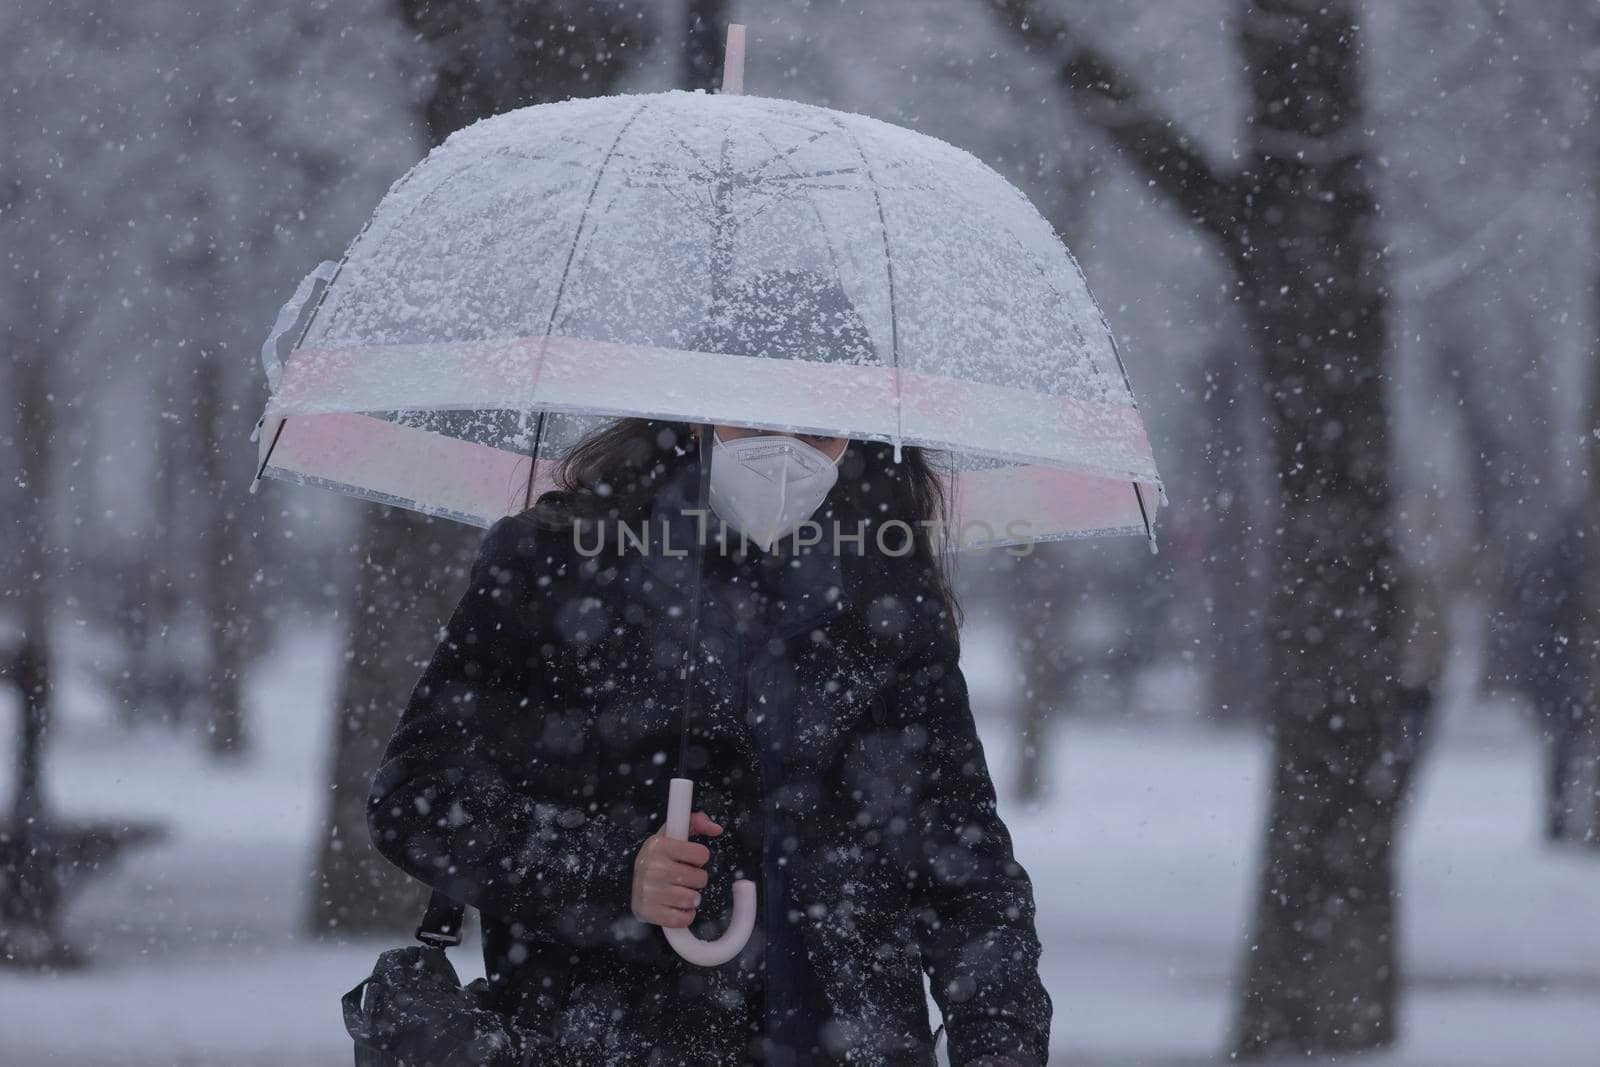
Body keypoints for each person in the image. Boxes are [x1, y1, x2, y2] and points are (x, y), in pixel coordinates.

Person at [367, 414, 1053, 1066]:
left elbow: (963, 859)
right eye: (754, 418)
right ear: (693, 411)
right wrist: (613, 872)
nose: (786, 452)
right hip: (604, 1037)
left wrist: (999, 1040)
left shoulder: (888, 594)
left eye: (817, 429)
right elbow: (419, 799)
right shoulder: (555, 561)